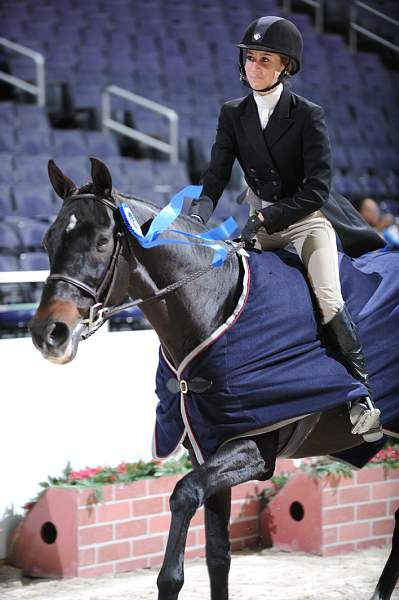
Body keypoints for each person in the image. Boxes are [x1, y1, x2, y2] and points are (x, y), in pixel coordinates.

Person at [189, 15, 386, 442]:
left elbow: (316, 190)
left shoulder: (308, 116)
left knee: (328, 297)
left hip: (303, 224)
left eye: (265, 59)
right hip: (259, 226)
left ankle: (362, 397)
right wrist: (198, 214)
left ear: (285, 67)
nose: (254, 66)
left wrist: (265, 219)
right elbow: (216, 173)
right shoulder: (233, 113)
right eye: (249, 58)